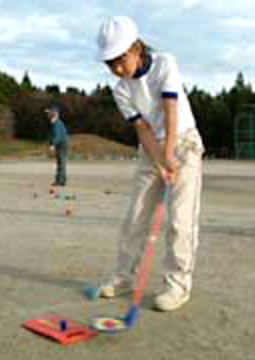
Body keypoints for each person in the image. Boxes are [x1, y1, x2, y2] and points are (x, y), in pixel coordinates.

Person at [95, 16, 205, 312]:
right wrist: (158, 160)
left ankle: (177, 285)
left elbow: (170, 109)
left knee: (180, 220)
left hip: (184, 143)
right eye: (110, 64)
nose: (117, 68)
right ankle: (123, 277)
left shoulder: (164, 63)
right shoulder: (120, 90)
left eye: (120, 59)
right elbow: (143, 129)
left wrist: (170, 155)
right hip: (151, 148)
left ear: (137, 47)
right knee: (136, 216)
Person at [46, 104, 68, 187]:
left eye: (50, 113)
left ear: (55, 113)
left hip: (62, 145)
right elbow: (53, 135)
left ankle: (60, 181)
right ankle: (61, 180)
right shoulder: (55, 123)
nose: (48, 114)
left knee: (61, 163)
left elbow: (57, 136)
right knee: (60, 163)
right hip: (61, 144)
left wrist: (53, 144)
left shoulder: (57, 123)